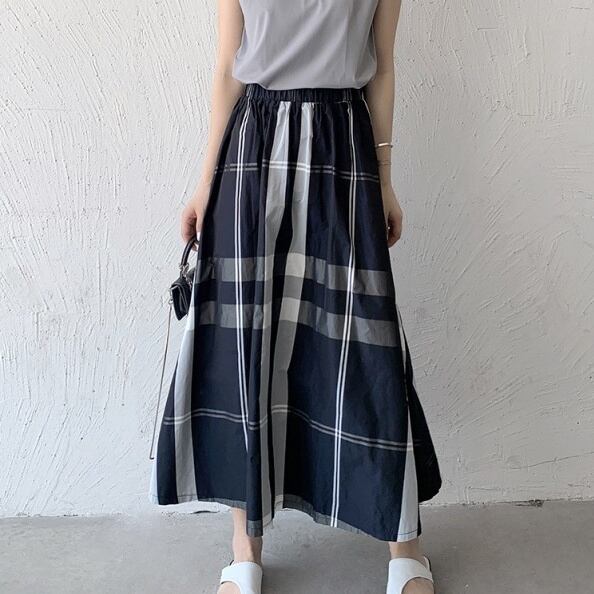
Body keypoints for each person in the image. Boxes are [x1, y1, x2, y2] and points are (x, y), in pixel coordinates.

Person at [148, 1, 442, 592]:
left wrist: (386, 180)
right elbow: (228, 68)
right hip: (252, 147)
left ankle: (405, 545)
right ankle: (244, 548)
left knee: (366, 344)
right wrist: (205, 184)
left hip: (342, 145)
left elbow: (383, 65)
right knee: (244, 343)